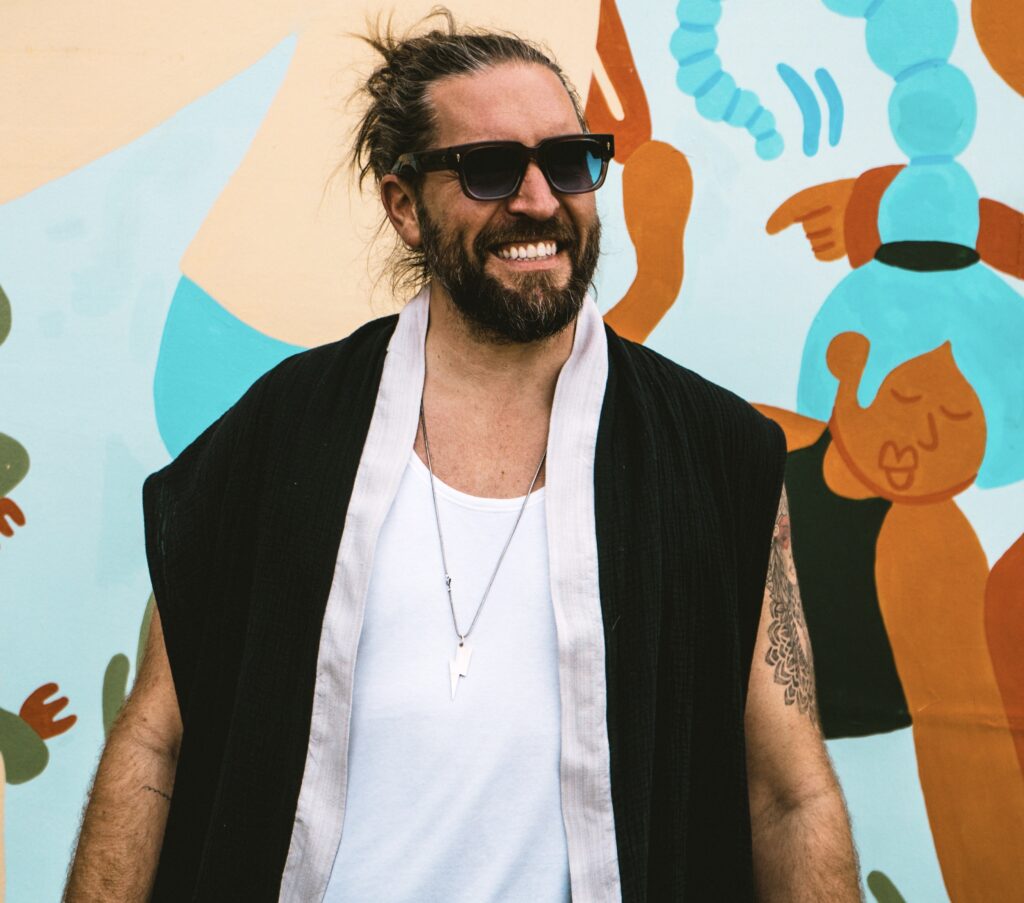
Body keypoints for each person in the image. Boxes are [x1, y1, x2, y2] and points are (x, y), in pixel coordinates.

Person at [66, 12, 860, 902]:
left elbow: (790, 794)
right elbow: (155, 739)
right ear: (404, 206)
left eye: (570, 161)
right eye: (490, 168)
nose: (539, 199)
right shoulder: (278, 434)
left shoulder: (717, 458)